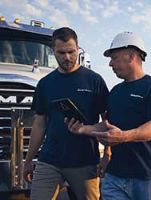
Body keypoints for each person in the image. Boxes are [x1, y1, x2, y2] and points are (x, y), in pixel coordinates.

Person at [67, 32, 151, 200]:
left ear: (131, 56)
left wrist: (123, 137)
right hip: (115, 176)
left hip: (148, 177)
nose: (110, 63)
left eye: (114, 57)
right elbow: (108, 125)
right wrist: (84, 129)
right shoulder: (115, 92)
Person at [23, 27, 109, 200]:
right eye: (61, 52)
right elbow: (39, 124)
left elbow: (107, 120)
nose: (67, 57)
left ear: (78, 48)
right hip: (49, 160)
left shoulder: (94, 81)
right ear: (53, 50)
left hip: (85, 162)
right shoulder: (45, 84)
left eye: (71, 51)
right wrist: (28, 160)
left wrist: (107, 153)